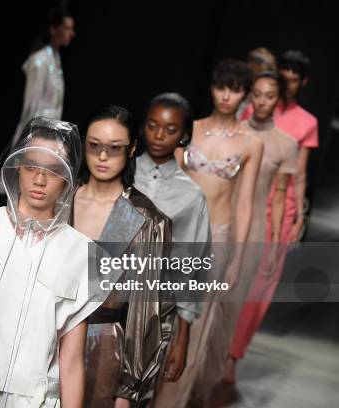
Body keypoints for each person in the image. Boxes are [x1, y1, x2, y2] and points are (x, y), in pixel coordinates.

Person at [0, 117, 106, 407]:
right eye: (31, 167)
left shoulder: (82, 253)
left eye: (52, 171)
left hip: (35, 400)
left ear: (67, 178)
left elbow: (73, 359)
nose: (39, 180)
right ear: (17, 168)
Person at [73, 105, 185, 408]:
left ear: (133, 148)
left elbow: (148, 310)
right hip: (44, 337)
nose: (103, 157)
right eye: (94, 146)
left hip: (104, 348)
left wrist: (127, 391)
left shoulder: (144, 219)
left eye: (115, 148)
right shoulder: (62, 202)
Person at [172, 59, 263, 406]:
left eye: (235, 88)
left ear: (244, 94)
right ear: (212, 87)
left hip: (217, 236)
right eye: (221, 86)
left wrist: (238, 260)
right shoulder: (189, 128)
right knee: (161, 316)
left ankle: (176, 401)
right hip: (179, 232)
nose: (226, 96)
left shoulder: (251, 143)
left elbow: (244, 204)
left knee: (195, 326)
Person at [132, 94, 212, 406]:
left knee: (139, 391)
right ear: (142, 127)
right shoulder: (120, 172)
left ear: (185, 135)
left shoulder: (191, 196)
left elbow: (190, 268)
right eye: (152, 126)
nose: (159, 135)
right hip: (106, 301)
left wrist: (183, 338)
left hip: (155, 309)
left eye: (170, 129)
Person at [224, 71, 298, 384]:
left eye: (270, 95)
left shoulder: (286, 144)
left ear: (278, 99)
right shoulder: (232, 132)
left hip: (256, 226)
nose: (262, 101)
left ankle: (228, 363)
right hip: (222, 220)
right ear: (249, 95)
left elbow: (279, 194)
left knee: (242, 300)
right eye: (257, 93)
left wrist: (276, 243)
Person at [0, 7, 76, 192]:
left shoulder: (54, 58)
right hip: (37, 129)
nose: (71, 33)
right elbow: (30, 106)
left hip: (50, 130)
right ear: (53, 29)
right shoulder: (39, 60)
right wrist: (31, 135)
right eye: (67, 28)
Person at [241, 50, 319, 245]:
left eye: (294, 79)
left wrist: (300, 217)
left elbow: (299, 174)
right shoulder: (255, 109)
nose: (288, 85)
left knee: (267, 270)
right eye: (284, 78)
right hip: (247, 196)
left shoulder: (308, 122)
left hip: (282, 204)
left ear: (303, 82)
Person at [236, 47, 277, 118]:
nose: (249, 66)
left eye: (255, 62)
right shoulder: (244, 85)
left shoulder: (272, 88)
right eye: (250, 61)